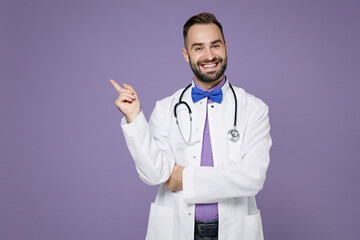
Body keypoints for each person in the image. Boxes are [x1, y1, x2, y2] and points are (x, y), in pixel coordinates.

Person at [110, 12, 271, 240]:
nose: (209, 55)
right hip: (176, 229)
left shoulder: (254, 109)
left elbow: (252, 177)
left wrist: (183, 178)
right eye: (198, 48)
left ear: (225, 47)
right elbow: (154, 174)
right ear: (186, 54)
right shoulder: (166, 108)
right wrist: (134, 118)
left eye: (215, 46)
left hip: (234, 230)